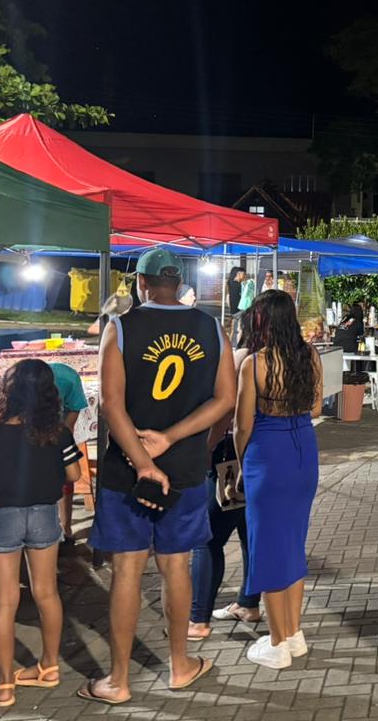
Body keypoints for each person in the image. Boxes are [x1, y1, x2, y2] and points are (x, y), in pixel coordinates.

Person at [80, 248, 235, 705]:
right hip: (185, 469)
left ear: (142, 284)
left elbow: (111, 404)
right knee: (177, 567)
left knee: (127, 570)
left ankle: (119, 680)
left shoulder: (121, 327)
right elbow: (225, 399)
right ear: (180, 283)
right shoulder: (211, 327)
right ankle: (181, 665)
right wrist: (169, 440)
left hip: (127, 473)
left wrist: (144, 461)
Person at [0, 359, 83, 707]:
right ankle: (49, 666)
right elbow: (74, 475)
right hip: (45, 514)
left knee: (4, 602)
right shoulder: (58, 431)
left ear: (8, 392)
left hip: (4, 517)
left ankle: (3, 686)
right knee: (47, 593)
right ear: (48, 393)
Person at [235, 289, 323, 668]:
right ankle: (294, 633)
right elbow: (317, 405)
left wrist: (242, 463)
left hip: (267, 454)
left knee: (268, 548)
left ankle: (276, 642)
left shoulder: (255, 363)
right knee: (293, 542)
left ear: (263, 321)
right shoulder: (311, 356)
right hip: (304, 447)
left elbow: (242, 425)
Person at [190, 311, 262, 640]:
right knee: (249, 533)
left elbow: (226, 411)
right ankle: (248, 603)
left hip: (231, 455)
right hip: (260, 456)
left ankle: (198, 616)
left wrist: (206, 447)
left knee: (208, 539)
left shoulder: (241, 358)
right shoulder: (275, 359)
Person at [49, 363, 89, 546]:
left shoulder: (69, 380)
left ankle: (65, 528)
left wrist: (63, 443)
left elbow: (69, 424)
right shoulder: (23, 384)